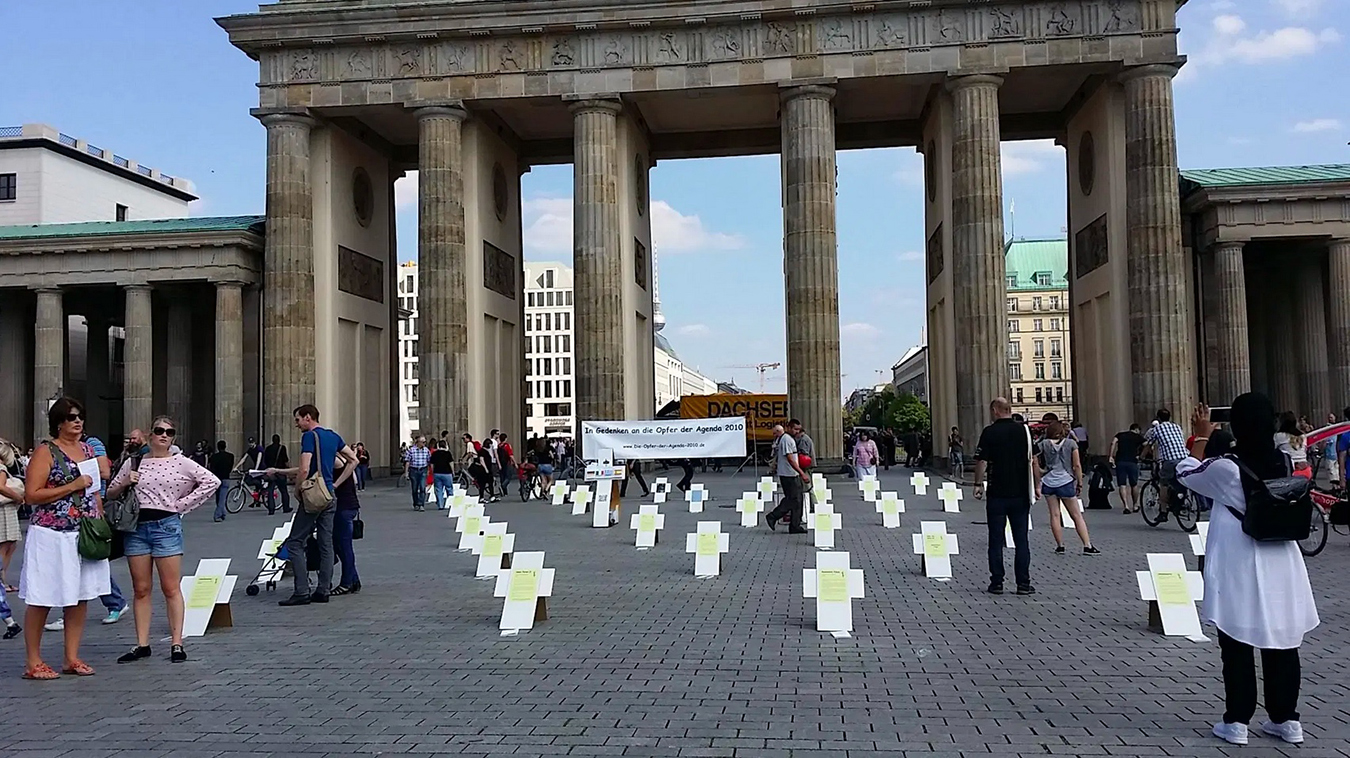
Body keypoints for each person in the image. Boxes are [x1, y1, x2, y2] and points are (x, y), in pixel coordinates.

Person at [1177, 397, 1319, 746]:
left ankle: (1237, 720)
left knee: (1236, 640)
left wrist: (1200, 436)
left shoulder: (1228, 467)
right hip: (1283, 557)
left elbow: (1185, 472)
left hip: (1242, 558)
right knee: (1283, 640)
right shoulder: (1285, 460)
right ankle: (1286, 719)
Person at [105, 416, 219, 664]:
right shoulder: (135, 462)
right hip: (136, 527)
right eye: (159, 431)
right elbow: (111, 492)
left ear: (173, 438)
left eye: (169, 432)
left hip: (166, 526)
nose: (164, 435)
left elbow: (212, 481)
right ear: (150, 435)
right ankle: (141, 643)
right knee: (141, 588)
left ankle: (177, 642)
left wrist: (181, 505)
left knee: (170, 587)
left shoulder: (182, 462)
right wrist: (126, 481)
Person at [19, 397, 111, 680]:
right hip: (51, 533)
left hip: (82, 531)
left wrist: (100, 516)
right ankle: (33, 661)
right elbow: (31, 495)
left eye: (80, 417)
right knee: (42, 596)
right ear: (59, 422)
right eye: (72, 418)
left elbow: (93, 488)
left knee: (80, 596)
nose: (78, 422)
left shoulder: (86, 449)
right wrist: (71, 486)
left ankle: (71, 657)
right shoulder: (46, 452)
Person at [265, 404, 357, 606]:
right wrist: (336, 484)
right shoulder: (333, 436)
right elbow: (353, 459)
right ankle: (323, 590)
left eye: (297, 420)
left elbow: (305, 468)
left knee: (295, 542)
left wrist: (297, 490)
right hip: (329, 495)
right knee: (326, 543)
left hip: (313, 495)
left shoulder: (309, 437)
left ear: (308, 417)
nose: (296, 424)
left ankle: (302, 591)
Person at [973, 397, 1040, 596]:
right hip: (1021, 493)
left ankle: (997, 583)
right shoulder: (1025, 431)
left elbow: (982, 461)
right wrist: (1037, 485)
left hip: (997, 492)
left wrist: (978, 484)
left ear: (995, 410)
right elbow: (1034, 461)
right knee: (1021, 540)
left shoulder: (989, 432)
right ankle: (1023, 584)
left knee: (995, 539)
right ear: (1009, 410)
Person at [1037, 414, 1098, 555]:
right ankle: (1087, 545)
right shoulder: (1071, 444)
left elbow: (1033, 456)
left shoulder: (1044, 444)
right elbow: (1076, 465)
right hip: (1065, 481)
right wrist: (1080, 483)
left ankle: (1060, 545)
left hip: (1048, 481)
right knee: (1076, 515)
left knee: (1054, 515)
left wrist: (1040, 472)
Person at [764, 422, 809, 534]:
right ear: (788, 428)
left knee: (797, 500)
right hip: (790, 474)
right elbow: (790, 458)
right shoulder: (787, 440)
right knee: (793, 500)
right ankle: (773, 516)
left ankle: (795, 525)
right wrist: (801, 472)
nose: (797, 431)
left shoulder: (783, 440)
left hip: (788, 473)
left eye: (799, 429)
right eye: (795, 429)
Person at [1144, 408, 1189, 511]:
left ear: (1158, 418)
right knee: (1179, 481)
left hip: (1170, 460)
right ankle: (1180, 501)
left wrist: (1142, 457)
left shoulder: (1157, 429)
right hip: (1184, 457)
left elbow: (1148, 445)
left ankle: (1163, 511)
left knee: (1163, 483)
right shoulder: (1177, 427)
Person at [330, 453, 361, 595]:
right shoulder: (345, 461)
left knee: (343, 546)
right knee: (341, 545)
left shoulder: (335, 461)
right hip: (350, 505)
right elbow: (354, 481)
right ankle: (353, 579)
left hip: (343, 507)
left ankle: (346, 583)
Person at [0, 440, 25, 593]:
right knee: (6, 545)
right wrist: (18, 497)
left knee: (8, 545)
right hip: (4, 509)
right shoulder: (2, 468)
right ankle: (2, 580)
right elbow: (1, 487)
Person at [1109, 423, 1146, 513]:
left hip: (1120, 461)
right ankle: (1135, 505)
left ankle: (1126, 506)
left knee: (1122, 484)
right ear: (1137, 430)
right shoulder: (1138, 437)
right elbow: (1147, 444)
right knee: (1134, 484)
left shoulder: (1120, 435)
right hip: (1132, 461)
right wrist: (1141, 455)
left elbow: (1113, 442)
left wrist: (1111, 456)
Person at [1273, 411, 1311, 479]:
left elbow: (1273, 450)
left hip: (1290, 471)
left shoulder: (1278, 436)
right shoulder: (1303, 436)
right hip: (1305, 469)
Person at [261, 434, 292, 515]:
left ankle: (271, 509)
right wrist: (289, 470)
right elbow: (285, 460)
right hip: (280, 471)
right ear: (279, 440)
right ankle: (286, 507)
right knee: (283, 490)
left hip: (271, 472)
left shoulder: (268, 449)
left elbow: (265, 460)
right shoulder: (282, 448)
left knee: (270, 491)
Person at [208, 440, 235, 522]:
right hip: (226, 477)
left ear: (218, 447)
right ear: (225, 446)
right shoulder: (230, 456)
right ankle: (219, 514)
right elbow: (230, 466)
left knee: (218, 497)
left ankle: (221, 513)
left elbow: (211, 467)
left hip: (217, 478)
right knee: (222, 498)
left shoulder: (214, 457)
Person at [403, 436, 430, 511]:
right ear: (418, 442)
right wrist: (406, 473)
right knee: (414, 488)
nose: (424, 444)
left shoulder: (426, 450)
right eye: (423, 442)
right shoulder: (411, 450)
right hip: (413, 470)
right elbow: (407, 461)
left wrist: (428, 470)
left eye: (425, 442)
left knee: (422, 487)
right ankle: (416, 504)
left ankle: (421, 504)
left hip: (423, 470)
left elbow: (428, 461)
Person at [429, 439, 456, 510]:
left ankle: (440, 505)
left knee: (438, 489)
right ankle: (450, 504)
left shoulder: (434, 454)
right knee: (449, 488)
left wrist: (432, 471)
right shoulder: (448, 453)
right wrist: (453, 472)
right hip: (447, 473)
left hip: (437, 473)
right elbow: (451, 463)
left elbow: (432, 464)